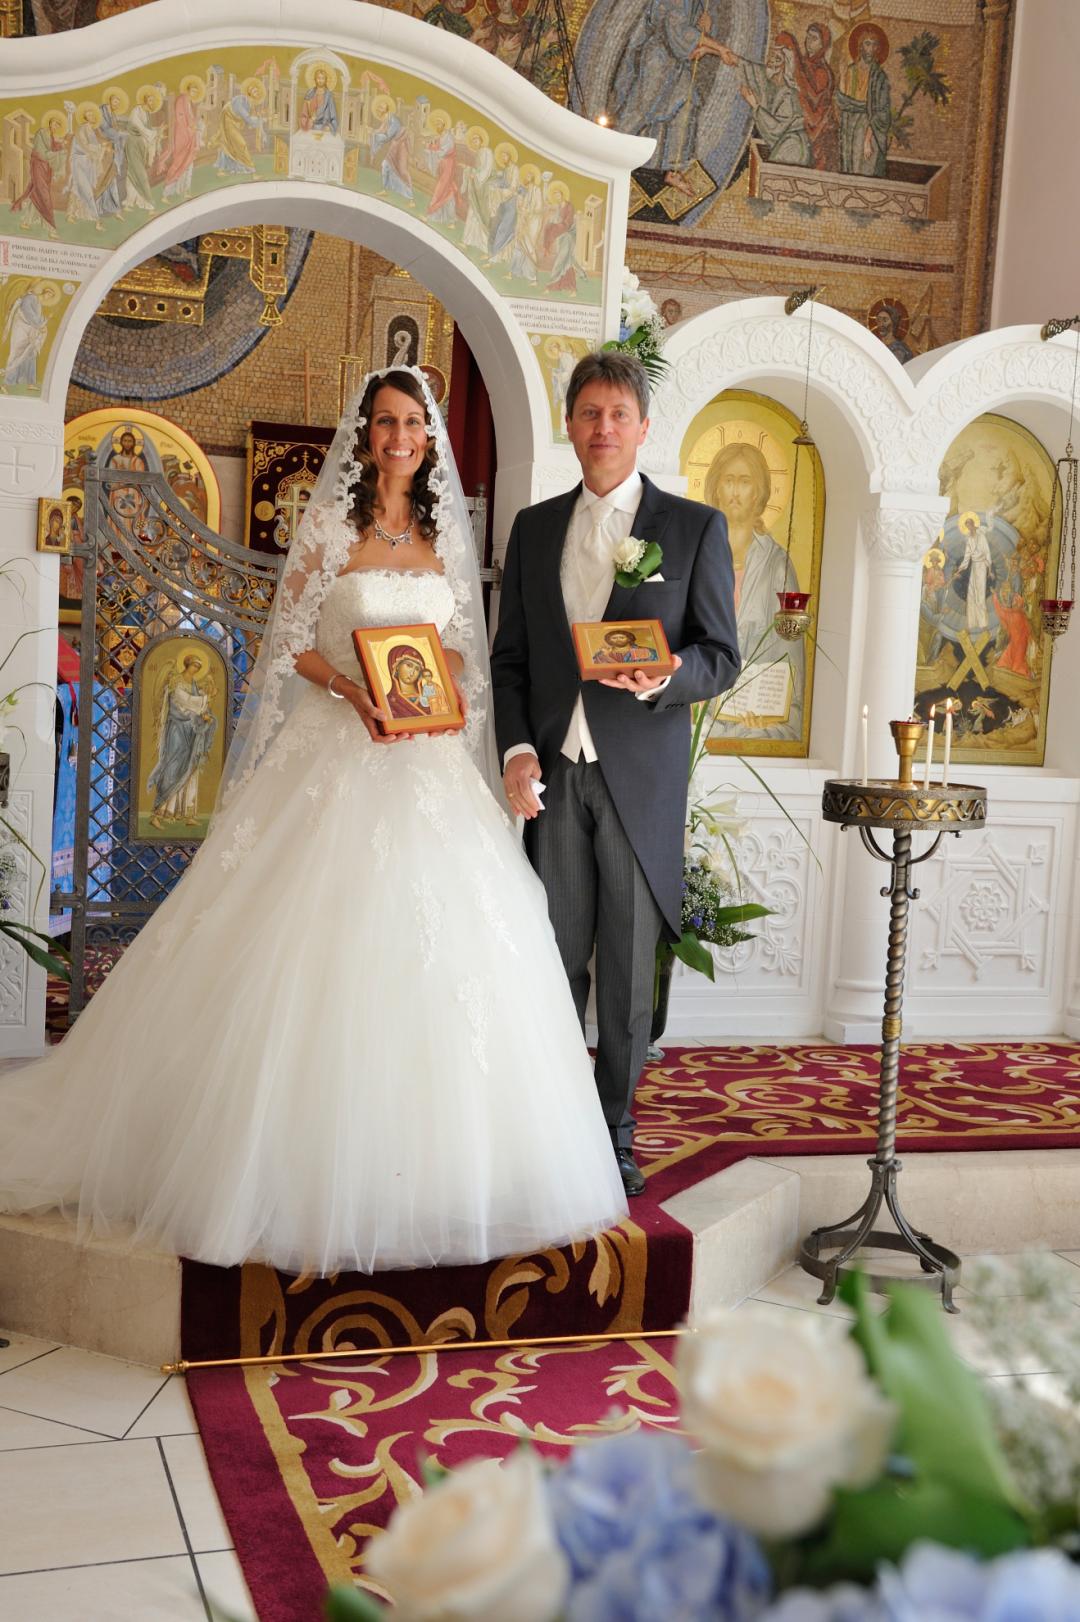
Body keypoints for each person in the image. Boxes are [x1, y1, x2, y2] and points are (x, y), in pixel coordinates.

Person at [0, 366, 627, 1274]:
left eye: (413, 423)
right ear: (365, 435)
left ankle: (436, 1173)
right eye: (386, 422)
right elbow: (290, 641)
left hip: (426, 761)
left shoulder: (445, 535)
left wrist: (432, 691)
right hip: (338, 748)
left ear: (430, 439)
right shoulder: (331, 529)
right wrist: (353, 691)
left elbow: (463, 650)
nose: (400, 437)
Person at [491, 350, 739, 1195]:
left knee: (630, 972)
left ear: (643, 427)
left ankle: (614, 1132)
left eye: (618, 415)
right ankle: (555, 1125)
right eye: (590, 413)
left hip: (639, 779)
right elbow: (511, 661)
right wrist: (517, 750)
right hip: (556, 775)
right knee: (554, 958)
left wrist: (668, 675)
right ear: (569, 424)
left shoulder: (694, 528)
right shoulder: (532, 529)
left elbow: (721, 655)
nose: (604, 428)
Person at [703, 440, 804, 743]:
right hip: (701, 703)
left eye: (745, 481)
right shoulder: (699, 555)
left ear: (758, 493)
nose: (735, 491)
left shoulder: (776, 564)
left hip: (756, 707)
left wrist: (770, 707)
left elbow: (788, 650)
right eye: (728, 480)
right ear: (716, 488)